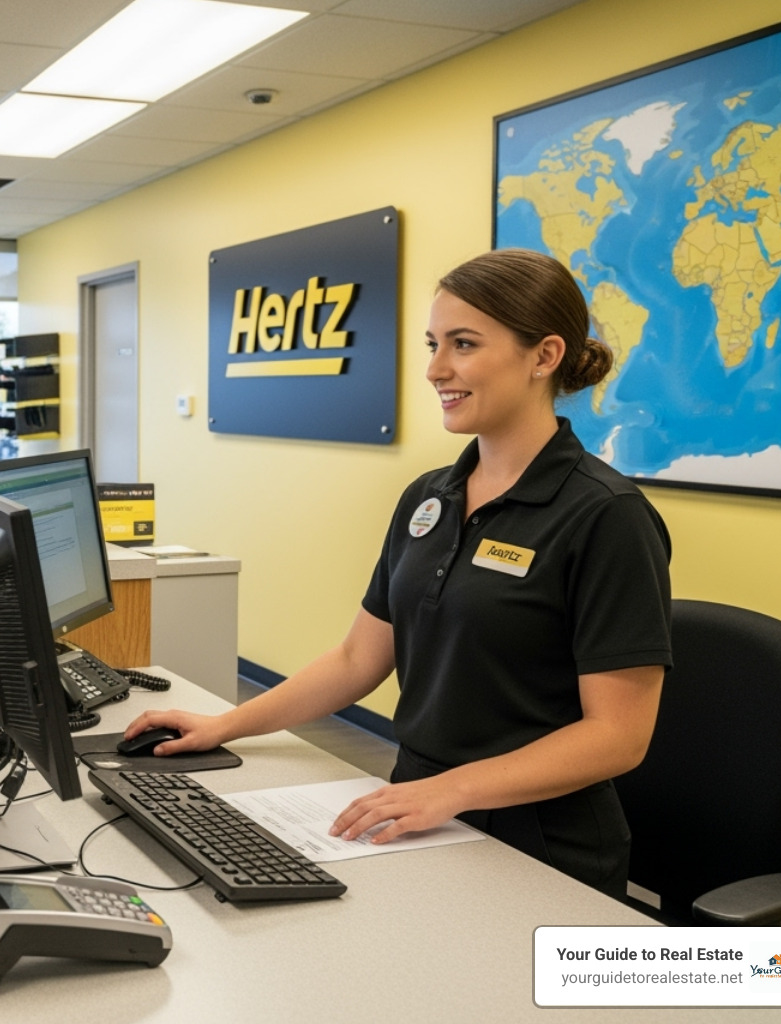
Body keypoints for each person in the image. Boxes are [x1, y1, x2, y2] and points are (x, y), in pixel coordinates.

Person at [125, 248, 671, 898]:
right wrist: (225, 723)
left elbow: (617, 737)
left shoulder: (606, 515)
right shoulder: (429, 498)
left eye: (464, 344)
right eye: (433, 344)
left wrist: (452, 790)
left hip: (539, 841)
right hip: (417, 805)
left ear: (544, 356)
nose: (436, 369)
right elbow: (358, 658)